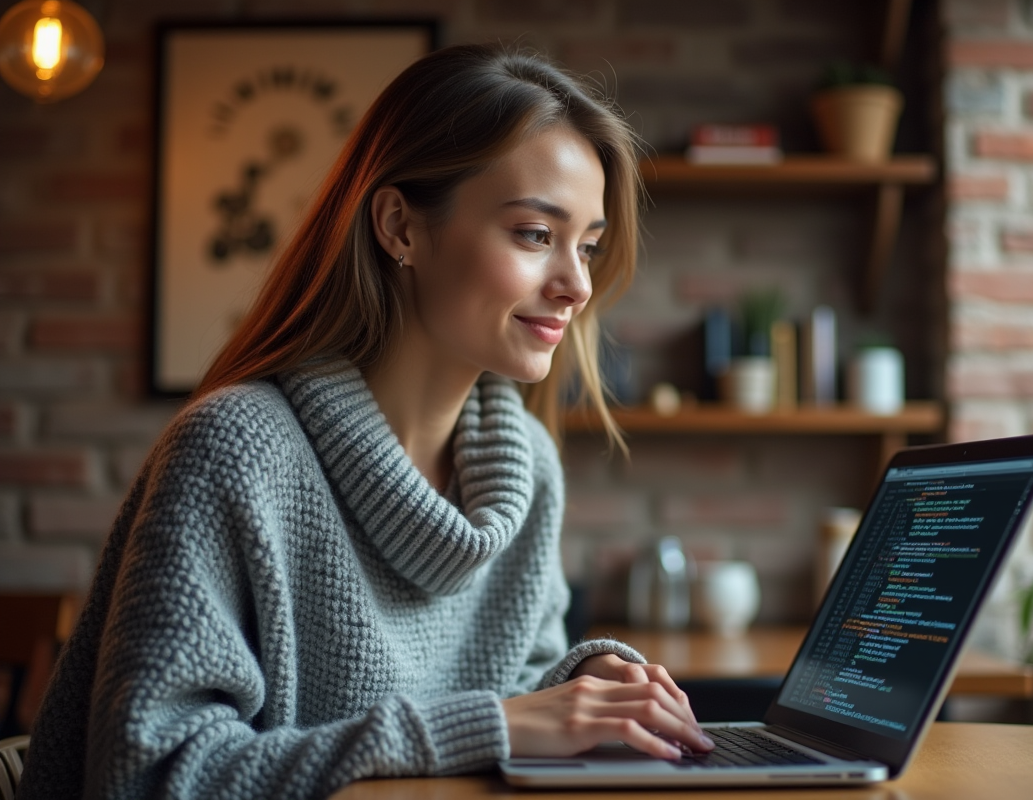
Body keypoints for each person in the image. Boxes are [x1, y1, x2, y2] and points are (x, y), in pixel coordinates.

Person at [17, 44, 713, 800]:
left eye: (589, 247)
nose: (577, 284)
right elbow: (150, 775)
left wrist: (580, 683)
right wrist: (492, 726)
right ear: (399, 227)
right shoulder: (236, 450)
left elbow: (515, 698)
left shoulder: (528, 468)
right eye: (535, 235)